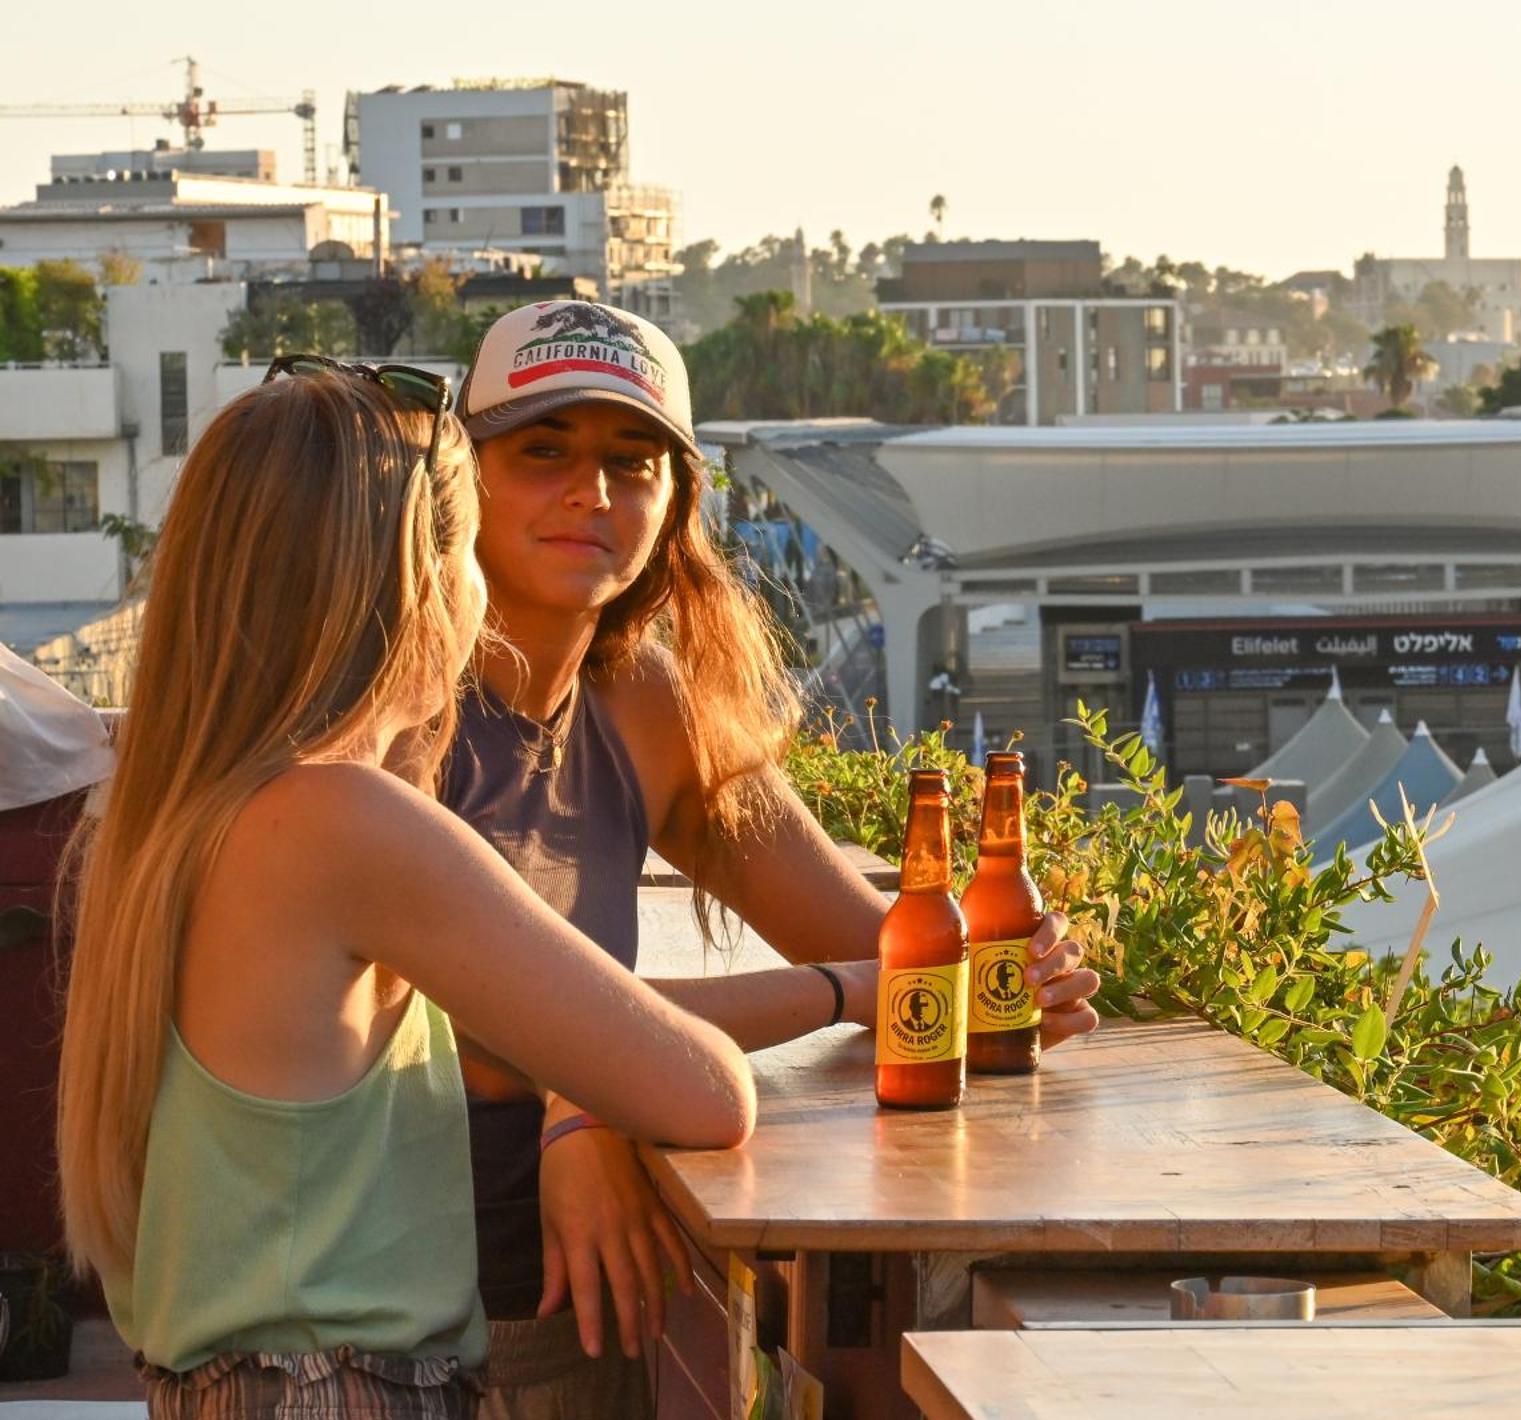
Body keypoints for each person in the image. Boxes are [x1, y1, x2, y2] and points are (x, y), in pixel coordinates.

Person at [56, 361, 759, 1419]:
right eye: (464, 549)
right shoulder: (351, 827)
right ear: (420, 580)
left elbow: (586, 1033)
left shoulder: (182, 812)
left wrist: (849, 987)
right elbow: (703, 1091)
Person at [441, 301, 1102, 1415]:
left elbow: (877, 941)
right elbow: (475, 1034)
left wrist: (1003, 984)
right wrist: (838, 994)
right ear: (462, 478)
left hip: (599, 1296)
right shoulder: (404, 702)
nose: (589, 493)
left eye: (630, 460)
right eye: (541, 452)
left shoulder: (643, 698)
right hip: (420, 1310)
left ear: (676, 500)